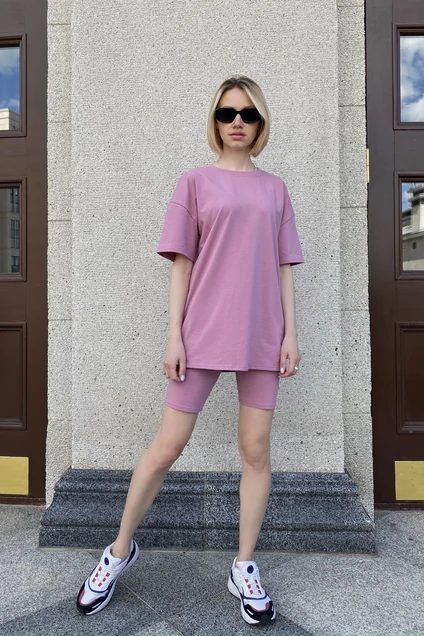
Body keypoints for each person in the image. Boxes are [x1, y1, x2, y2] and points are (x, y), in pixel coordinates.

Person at [76, 75, 304, 625]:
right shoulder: (195, 182)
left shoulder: (275, 189)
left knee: (256, 450)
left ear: (261, 122)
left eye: (248, 114)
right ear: (215, 120)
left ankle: (244, 566)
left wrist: (290, 333)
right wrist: (174, 335)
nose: (237, 123)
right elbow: (182, 265)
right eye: (227, 113)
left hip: (261, 333)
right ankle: (118, 551)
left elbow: (283, 267)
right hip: (202, 332)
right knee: (166, 447)